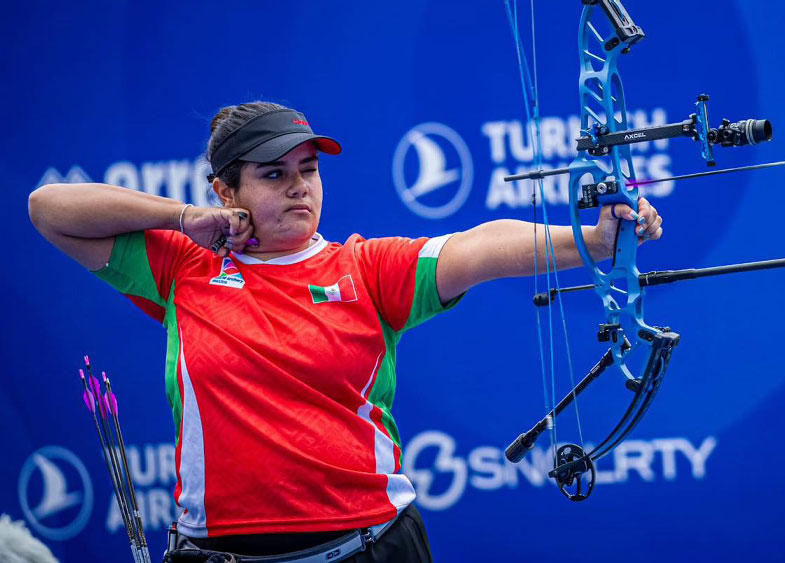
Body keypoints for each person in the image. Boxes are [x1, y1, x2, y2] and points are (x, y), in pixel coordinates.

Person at [27, 101, 663, 562]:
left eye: (308, 170)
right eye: (274, 174)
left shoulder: (364, 268)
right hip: (220, 553)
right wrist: (185, 217)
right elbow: (48, 209)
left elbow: (478, 246)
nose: (299, 187)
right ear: (227, 190)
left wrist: (593, 240)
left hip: (368, 549)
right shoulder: (182, 267)